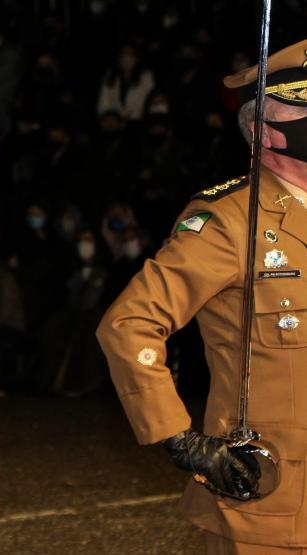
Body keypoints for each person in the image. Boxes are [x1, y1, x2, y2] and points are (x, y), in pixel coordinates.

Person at [97, 38, 307, 554]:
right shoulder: (230, 221)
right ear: (264, 133)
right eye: (303, 109)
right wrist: (181, 439)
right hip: (274, 498)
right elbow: (129, 324)